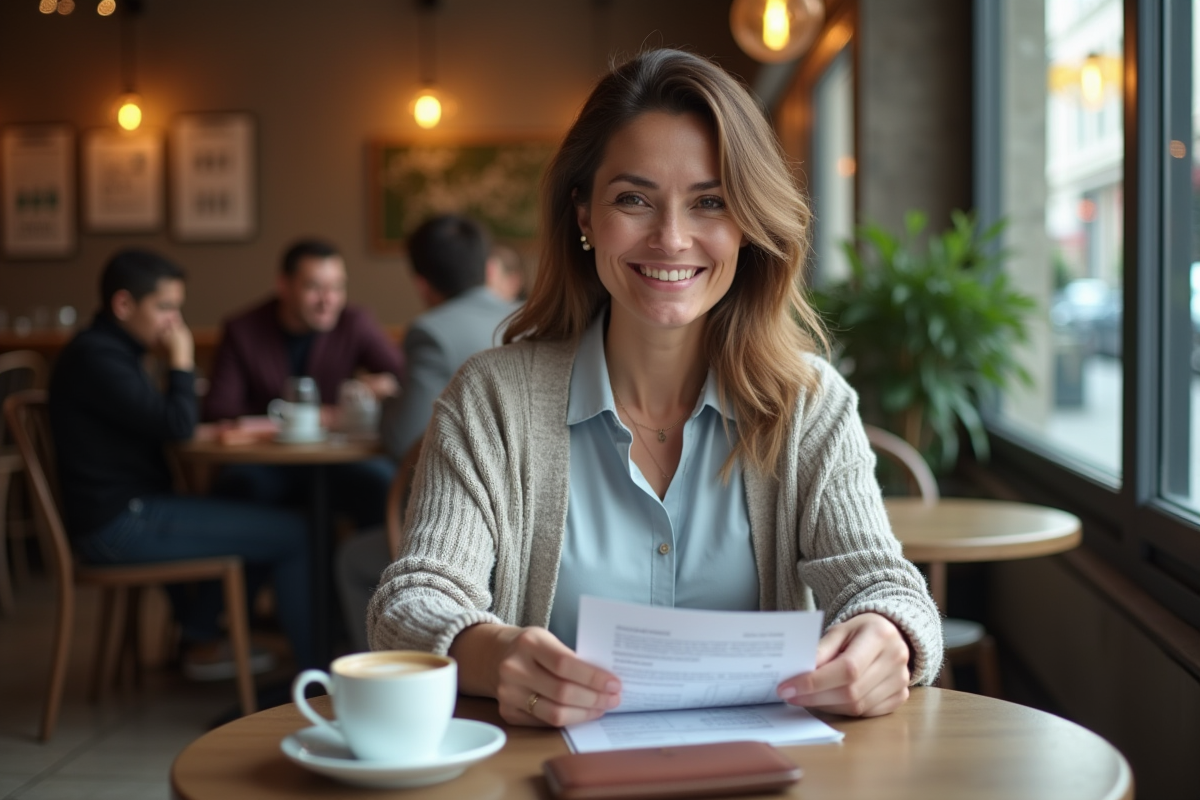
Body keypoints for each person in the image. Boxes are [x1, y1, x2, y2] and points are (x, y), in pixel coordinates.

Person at [367, 49, 942, 728]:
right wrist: (488, 651)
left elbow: (884, 584)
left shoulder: (809, 404)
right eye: (634, 199)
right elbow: (412, 600)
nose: (671, 239)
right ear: (583, 213)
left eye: (710, 202)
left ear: (749, 224)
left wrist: (886, 635)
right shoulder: (491, 400)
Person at [49, 248, 315, 674]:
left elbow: (165, 424)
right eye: (165, 307)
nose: (174, 321)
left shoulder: (108, 353)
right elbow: (177, 426)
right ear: (123, 305)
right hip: (118, 525)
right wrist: (182, 360)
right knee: (294, 532)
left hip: (126, 512)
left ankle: (200, 634)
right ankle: (316, 678)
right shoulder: (97, 357)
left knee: (255, 503)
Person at [337, 214, 522, 651]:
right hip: (529, 519)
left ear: (421, 282)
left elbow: (405, 440)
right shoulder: (531, 317)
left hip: (467, 533)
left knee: (351, 559)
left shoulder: (431, 331)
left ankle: (368, 679)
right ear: (489, 267)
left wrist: (387, 404)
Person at [203, 238, 403, 527]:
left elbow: (402, 378)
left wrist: (378, 386)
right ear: (284, 285)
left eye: (337, 287)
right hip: (268, 464)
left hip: (338, 462)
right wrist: (307, 419)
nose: (328, 299)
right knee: (239, 489)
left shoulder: (355, 322)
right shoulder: (243, 329)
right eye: (314, 287)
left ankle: (360, 570)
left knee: (383, 483)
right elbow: (219, 410)